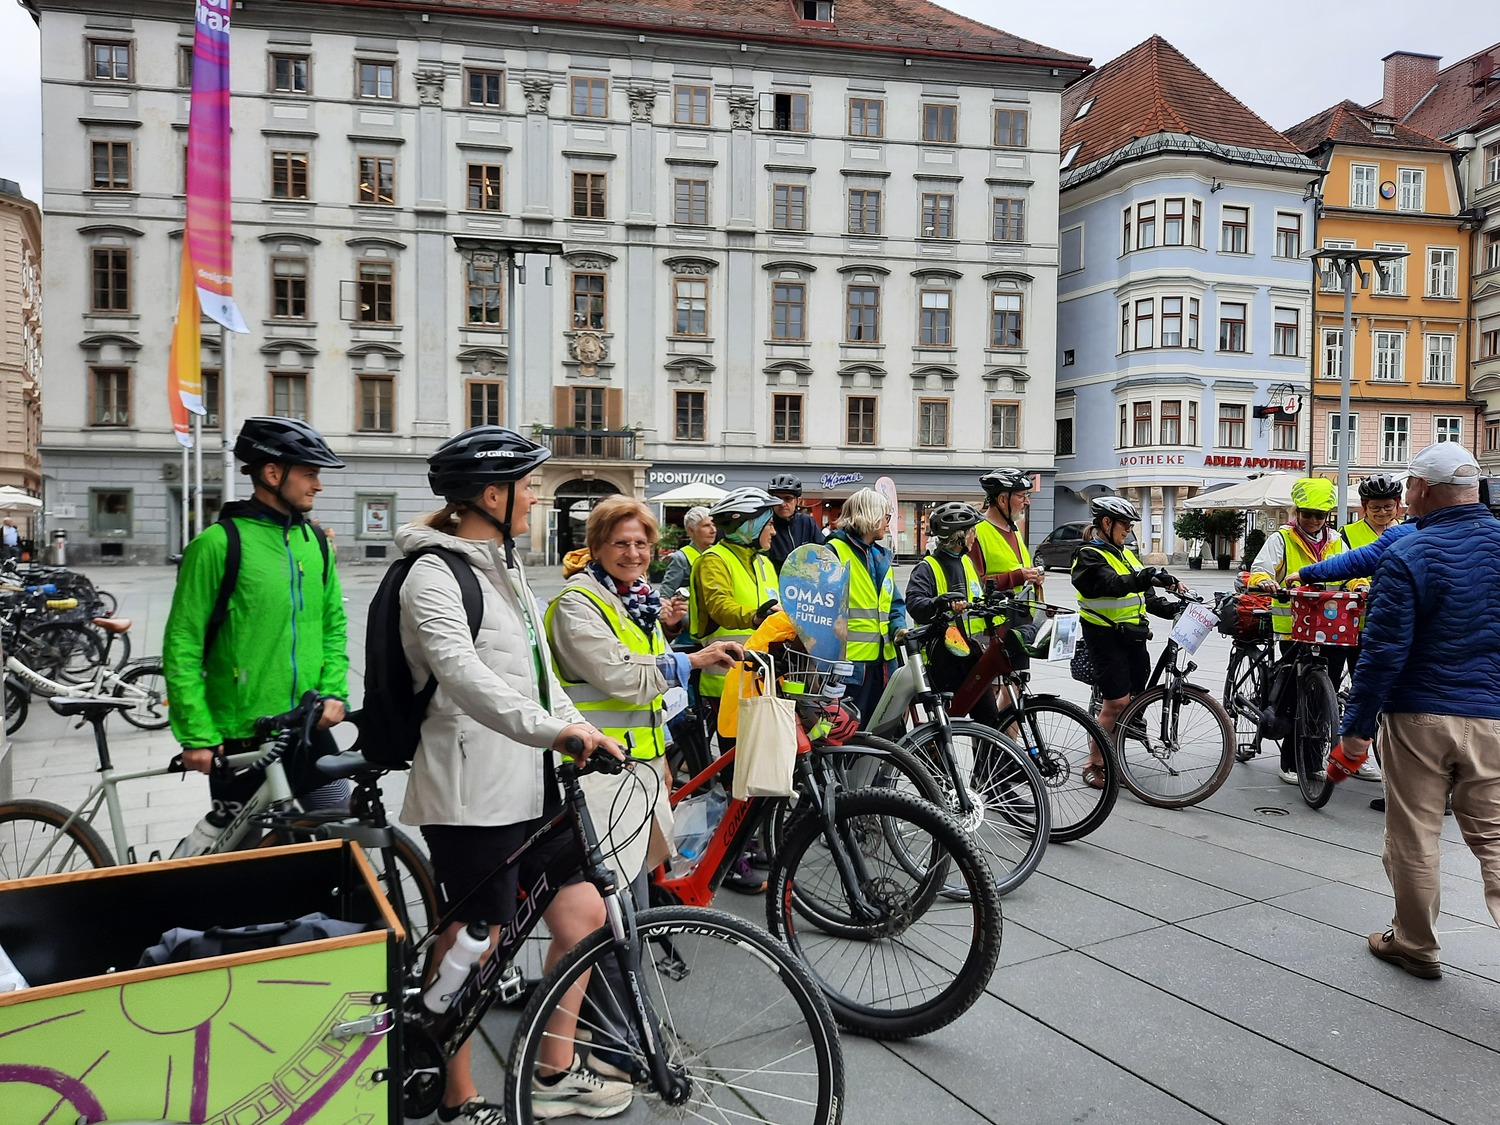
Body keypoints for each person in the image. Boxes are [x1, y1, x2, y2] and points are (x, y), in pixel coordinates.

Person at [394, 425, 630, 1122]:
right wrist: (555, 731)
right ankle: (455, 1093)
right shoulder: (431, 575)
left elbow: (539, 677)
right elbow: (463, 676)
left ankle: (552, 1070)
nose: (534, 496)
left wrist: (580, 728)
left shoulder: (506, 566)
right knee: (476, 938)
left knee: (585, 915)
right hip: (472, 792)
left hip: (533, 782)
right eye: (526, 485)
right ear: (491, 495)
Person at [1323, 443, 1500, 981]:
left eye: (1407, 487)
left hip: (1419, 716)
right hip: (1493, 716)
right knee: (1496, 842)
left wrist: (1355, 733)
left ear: (1422, 489)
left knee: (1415, 837)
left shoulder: (1408, 553)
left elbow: (1382, 653)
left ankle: (1415, 944)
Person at [162, 417, 351, 852]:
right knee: (240, 858)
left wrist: (334, 691)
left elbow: (332, 625)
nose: (318, 485)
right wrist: (197, 735)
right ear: (272, 473)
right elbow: (183, 642)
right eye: (310, 473)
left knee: (340, 825)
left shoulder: (315, 543)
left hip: (305, 724)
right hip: (241, 734)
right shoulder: (217, 544)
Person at [688, 486, 782, 892]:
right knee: (734, 774)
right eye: (768, 523)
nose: (773, 531)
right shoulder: (714, 560)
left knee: (756, 769)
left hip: (761, 679)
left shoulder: (763, 563)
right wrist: (755, 615)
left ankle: (749, 839)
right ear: (747, 524)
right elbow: (721, 607)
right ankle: (729, 856)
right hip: (723, 680)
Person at [1071, 496, 1181, 786]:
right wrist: (1149, 576)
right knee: (1116, 703)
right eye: (1125, 525)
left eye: (1131, 526)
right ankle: (1093, 763)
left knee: (1133, 700)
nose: (1129, 530)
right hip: (1104, 636)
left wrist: (1176, 606)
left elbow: (1146, 598)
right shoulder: (1087, 556)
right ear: (1106, 523)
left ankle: (1113, 754)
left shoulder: (1125, 555)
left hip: (1133, 636)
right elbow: (1112, 585)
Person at [1247, 477, 1350, 784]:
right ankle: (1290, 761)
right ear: (1297, 511)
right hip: (1293, 627)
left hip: (1330, 627)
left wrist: (1360, 584)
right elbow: (1261, 568)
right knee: (1295, 694)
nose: (1314, 520)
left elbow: (1351, 571)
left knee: (1323, 698)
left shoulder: (1336, 541)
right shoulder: (1282, 538)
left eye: (1320, 515)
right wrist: (1265, 580)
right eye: (1307, 514)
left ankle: (1314, 761)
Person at [904, 502, 1004, 727]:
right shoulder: (927, 567)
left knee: (990, 721)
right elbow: (915, 604)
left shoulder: (966, 562)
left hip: (970, 656)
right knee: (944, 727)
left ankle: (987, 753)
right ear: (959, 537)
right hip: (942, 660)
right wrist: (939, 603)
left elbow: (975, 599)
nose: (975, 536)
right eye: (972, 531)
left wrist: (993, 599)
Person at [826, 488, 907, 730]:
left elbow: (893, 602)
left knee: (881, 734)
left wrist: (899, 628)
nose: (888, 523)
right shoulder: (833, 552)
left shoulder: (881, 556)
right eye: (886, 516)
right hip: (850, 668)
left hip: (883, 665)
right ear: (870, 516)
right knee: (849, 735)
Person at [971, 469, 1044, 595]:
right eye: (1021, 496)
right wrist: (1017, 577)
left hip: (1021, 607)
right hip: (996, 607)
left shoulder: (1013, 528)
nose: (1027, 502)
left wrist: (1034, 577)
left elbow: (1018, 568)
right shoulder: (976, 533)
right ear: (1002, 500)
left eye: (1027, 495)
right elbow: (973, 584)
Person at [765, 474, 825, 571]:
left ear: (797, 501)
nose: (782, 504)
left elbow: (823, 551)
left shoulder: (807, 522)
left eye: (788, 499)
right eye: (777, 499)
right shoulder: (766, 526)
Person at [659, 504, 715, 604]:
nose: (713, 530)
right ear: (691, 530)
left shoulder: (718, 553)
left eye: (714, 525)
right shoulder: (681, 558)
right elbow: (666, 593)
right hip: (691, 613)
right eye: (706, 526)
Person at [1339, 473, 1404, 549]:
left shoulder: (1409, 529)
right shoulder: (1347, 533)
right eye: (1375, 507)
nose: (1382, 512)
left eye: (1388, 506)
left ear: (1397, 504)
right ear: (1365, 505)